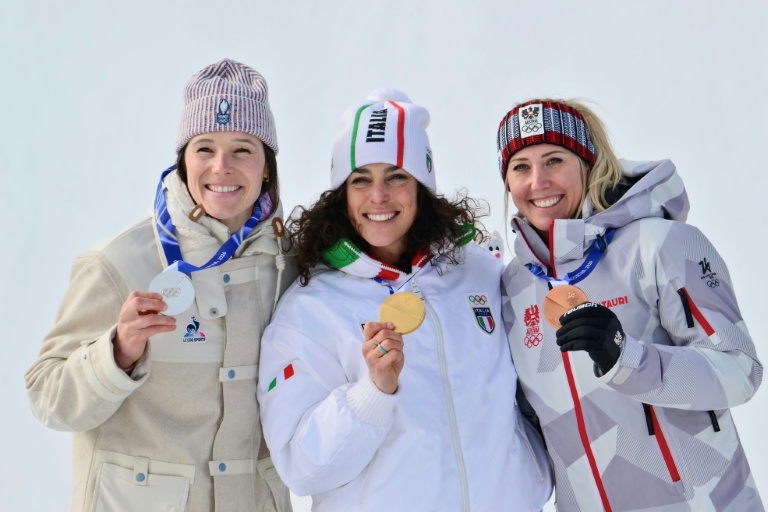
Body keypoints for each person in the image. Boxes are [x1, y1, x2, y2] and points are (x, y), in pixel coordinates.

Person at [256, 88, 552, 511]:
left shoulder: (480, 271)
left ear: (422, 186)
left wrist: (530, 473)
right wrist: (373, 392)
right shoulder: (309, 309)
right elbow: (300, 468)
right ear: (342, 194)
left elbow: (532, 389)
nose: (378, 196)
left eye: (396, 175)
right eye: (361, 180)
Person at [25, 59, 296, 512]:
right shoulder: (118, 262)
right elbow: (46, 395)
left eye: (243, 149)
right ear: (184, 160)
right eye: (204, 148)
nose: (221, 167)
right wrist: (116, 354)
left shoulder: (290, 265)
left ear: (267, 166)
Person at [497, 99, 764, 511]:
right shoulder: (513, 287)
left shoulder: (661, 244)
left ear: (588, 163)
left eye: (554, 160)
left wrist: (627, 357)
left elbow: (740, 370)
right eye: (521, 167)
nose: (538, 182)